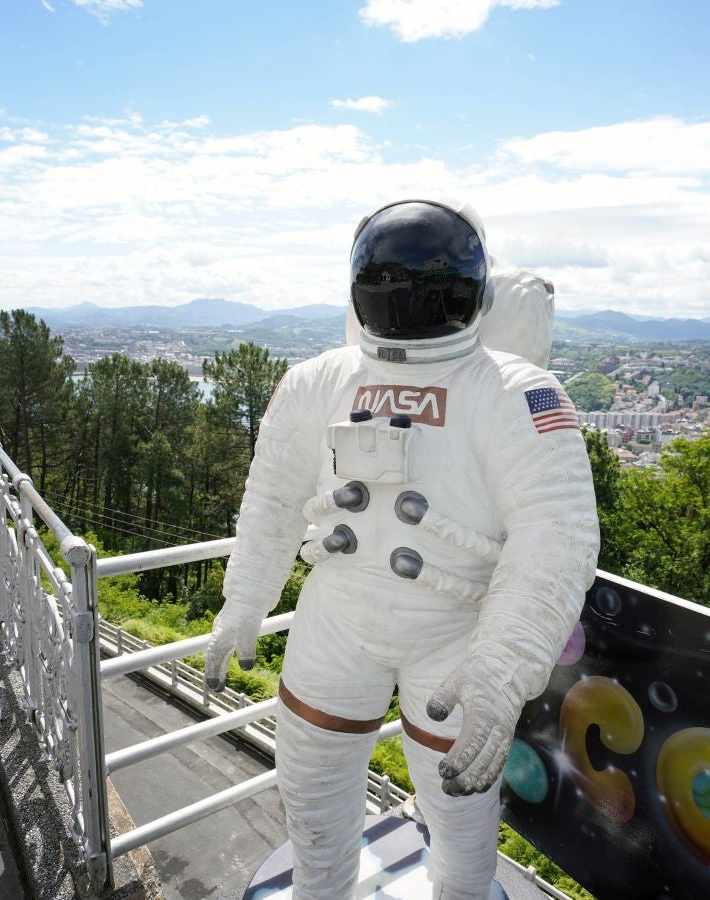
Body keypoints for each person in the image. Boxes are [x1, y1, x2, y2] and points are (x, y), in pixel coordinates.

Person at [206, 198, 599, 899]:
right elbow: (270, 499)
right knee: (313, 782)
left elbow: (554, 536)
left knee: (456, 804)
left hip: (455, 637)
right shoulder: (318, 382)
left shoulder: (515, 392)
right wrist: (243, 602)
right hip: (339, 620)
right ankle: (320, 887)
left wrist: (501, 669)